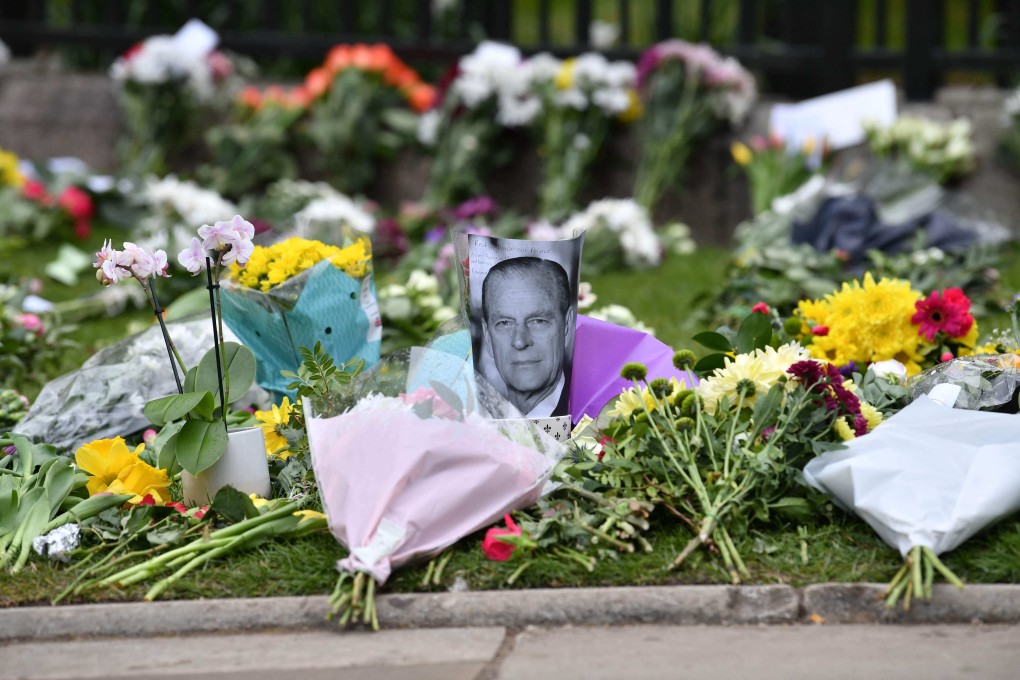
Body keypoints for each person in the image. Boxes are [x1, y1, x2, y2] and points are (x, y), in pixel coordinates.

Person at [481, 256, 573, 418]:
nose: (520, 341)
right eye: (504, 323)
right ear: (487, 336)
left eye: (538, 321)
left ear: (567, 324)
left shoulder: (598, 417)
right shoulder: (470, 421)